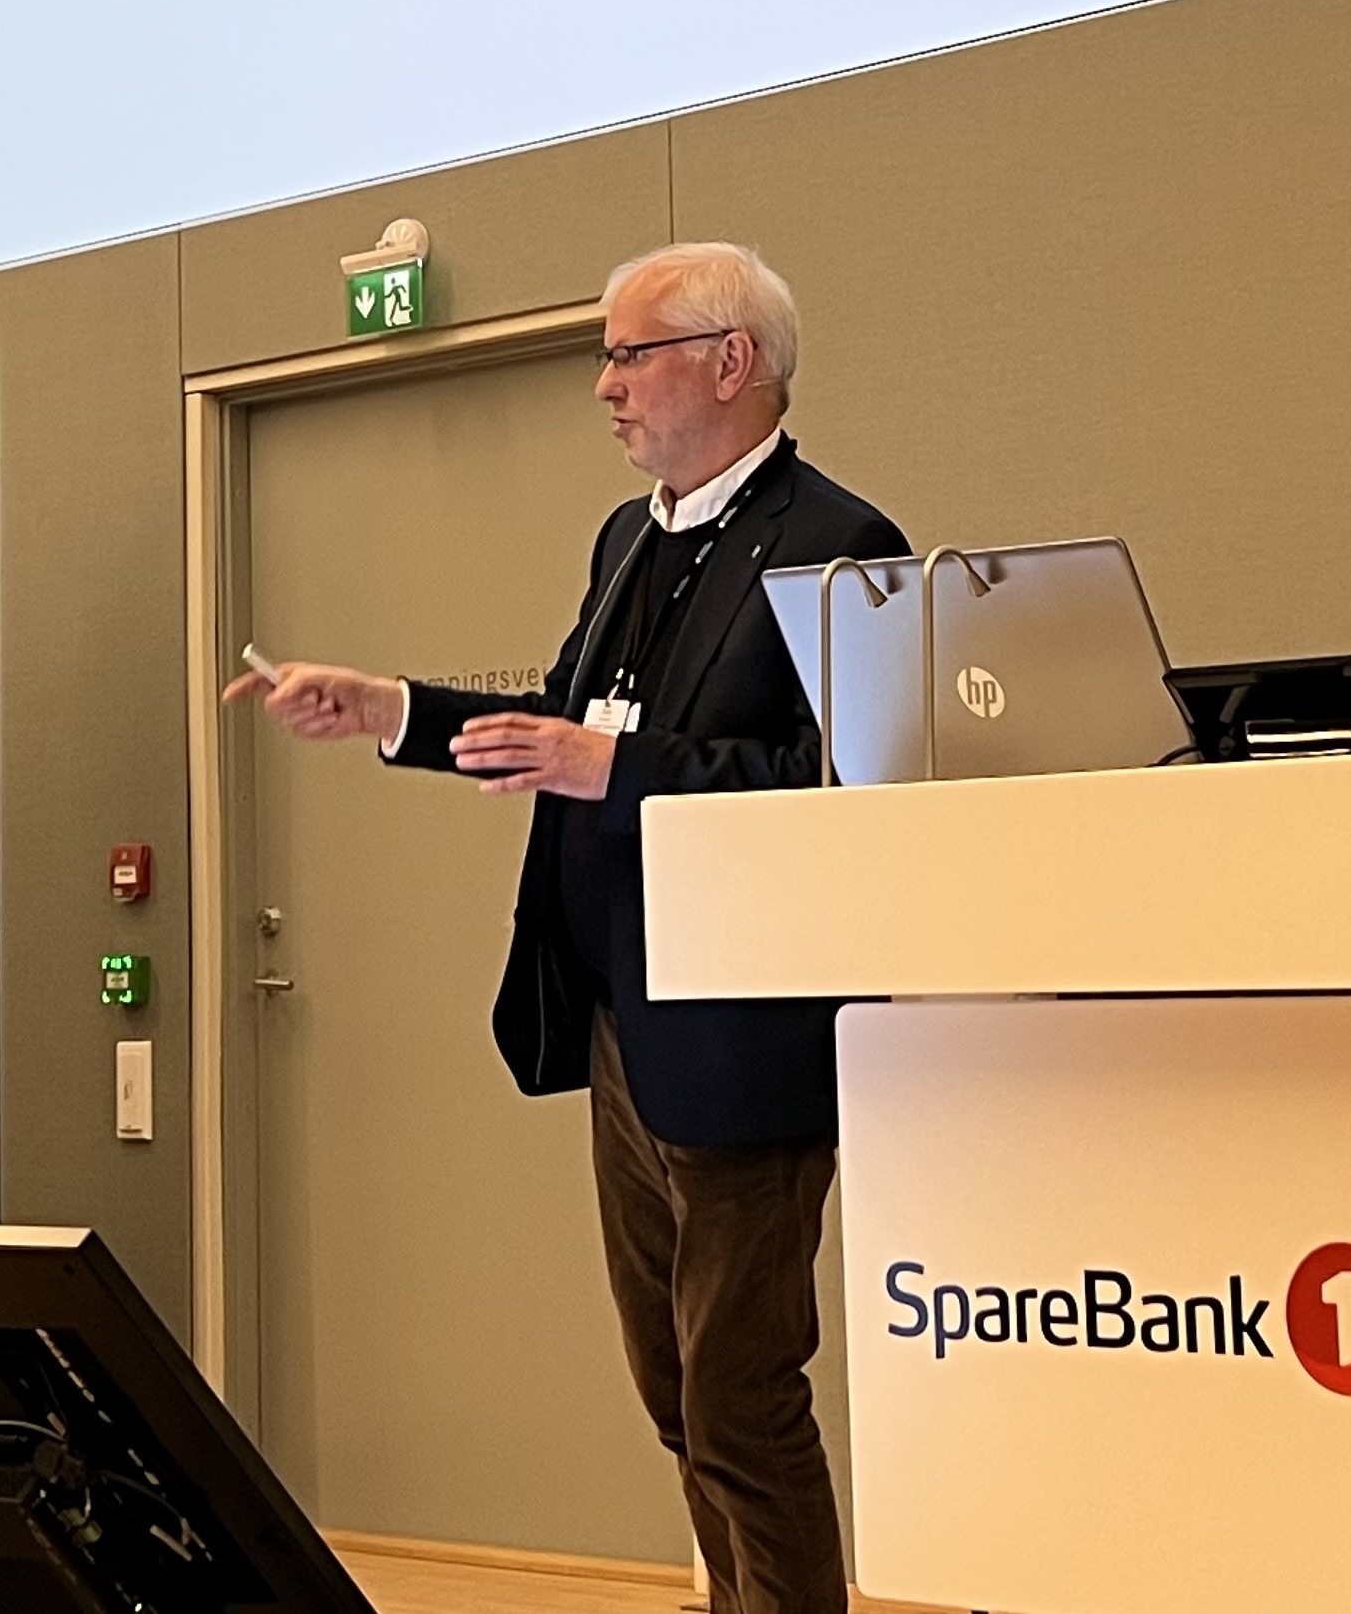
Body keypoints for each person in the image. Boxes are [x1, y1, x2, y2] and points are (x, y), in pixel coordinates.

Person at [225, 240, 902, 1614]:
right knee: (675, 1391)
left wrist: (620, 767)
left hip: (744, 1036)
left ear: (731, 362)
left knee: (741, 1396)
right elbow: (562, 719)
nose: (605, 386)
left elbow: (848, 780)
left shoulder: (841, 545)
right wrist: (394, 713)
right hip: (614, 1021)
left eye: (629, 354)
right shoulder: (622, 539)